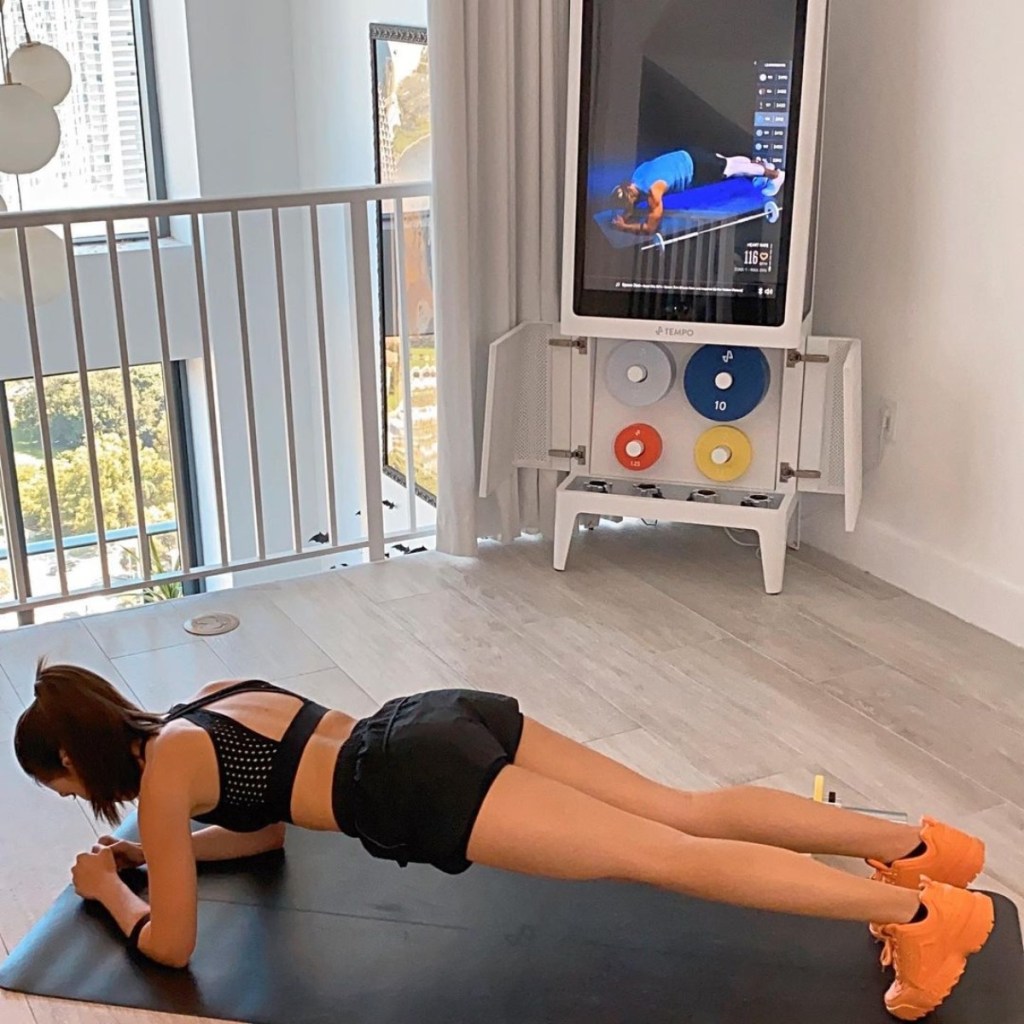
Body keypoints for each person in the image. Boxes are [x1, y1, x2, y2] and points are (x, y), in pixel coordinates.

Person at [15, 661, 993, 1022]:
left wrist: (111, 886)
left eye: (61, 784)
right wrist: (154, 856)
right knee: (682, 810)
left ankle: (920, 914)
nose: (75, 800)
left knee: (669, 858)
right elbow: (265, 830)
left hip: (418, 783)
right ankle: (917, 845)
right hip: (436, 718)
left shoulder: (163, 780)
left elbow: (173, 943)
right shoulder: (212, 700)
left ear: (71, 755)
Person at [611, 148, 784, 237]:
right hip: (689, 154)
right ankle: (762, 166)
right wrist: (626, 214)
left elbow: (650, 228)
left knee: (730, 168)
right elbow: (631, 199)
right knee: (728, 163)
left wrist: (624, 227)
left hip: (697, 167)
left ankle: (775, 175)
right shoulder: (636, 176)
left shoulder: (653, 192)